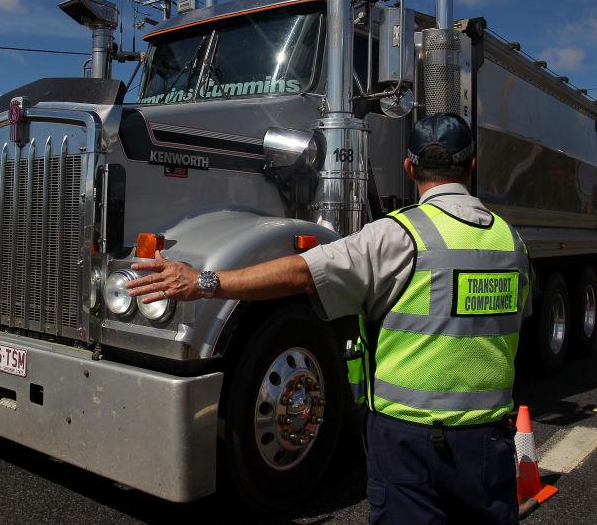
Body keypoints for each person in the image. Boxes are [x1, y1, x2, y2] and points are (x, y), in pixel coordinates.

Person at [125, 112, 530, 524]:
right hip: (489, 442)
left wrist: (204, 281)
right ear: (472, 165)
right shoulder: (511, 242)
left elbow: (301, 272)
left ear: (409, 167)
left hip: (411, 444)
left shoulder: (397, 236)